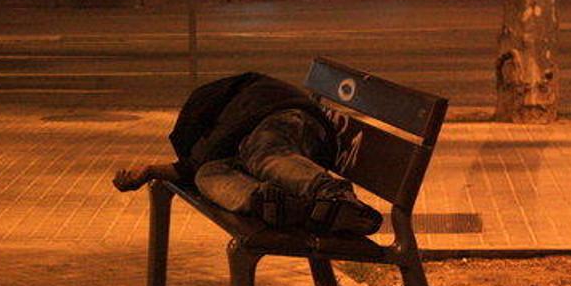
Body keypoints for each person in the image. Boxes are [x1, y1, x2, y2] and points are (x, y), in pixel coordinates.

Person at [112, 72, 382, 236]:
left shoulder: (238, 108)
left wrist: (158, 169)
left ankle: (336, 196)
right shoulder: (230, 111)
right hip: (273, 142)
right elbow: (197, 167)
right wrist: (148, 171)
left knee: (260, 153)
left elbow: (192, 164)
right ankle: (267, 202)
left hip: (289, 123)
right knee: (208, 173)